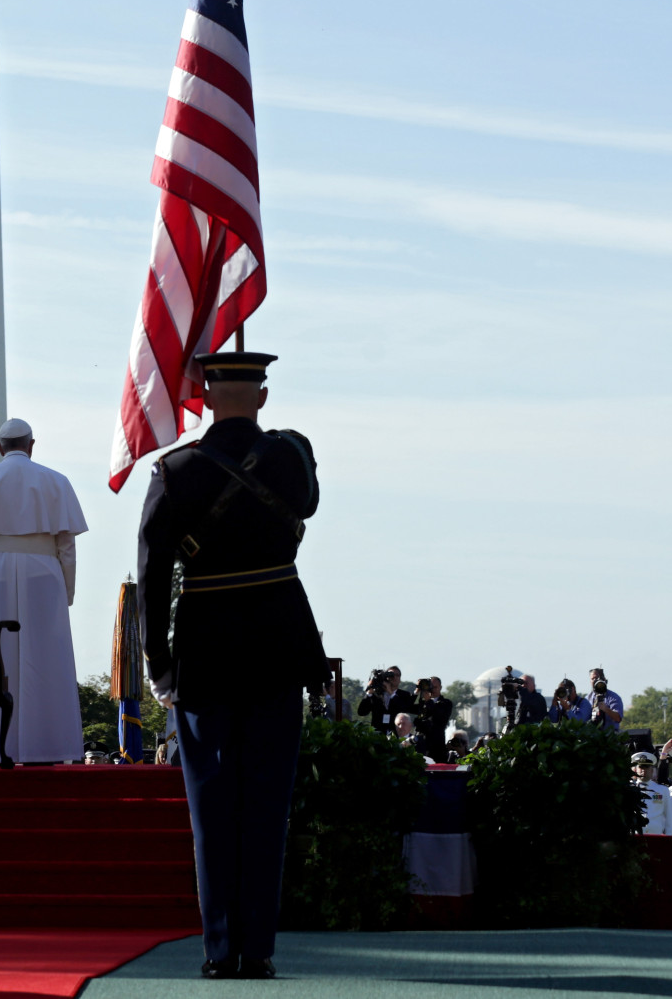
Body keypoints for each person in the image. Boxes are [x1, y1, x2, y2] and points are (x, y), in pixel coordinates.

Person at [136, 351, 327, 981]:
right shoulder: (291, 456)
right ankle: (259, 949)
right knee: (268, 804)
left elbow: (152, 574)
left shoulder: (175, 470)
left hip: (206, 648)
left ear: (206, 398)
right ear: (263, 397)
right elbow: (310, 502)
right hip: (278, 643)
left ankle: (220, 950)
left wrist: (159, 663)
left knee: (212, 808)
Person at [0, 417, 86, 765]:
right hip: (43, 575)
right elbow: (66, 548)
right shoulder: (56, 481)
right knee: (45, 661)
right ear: (31, 445)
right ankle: (47, 748)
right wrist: (66, 593)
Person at [355, 667, 413, 736]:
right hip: (377, 734)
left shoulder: (405, 695)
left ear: (400, 679)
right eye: (391, 675)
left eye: (397, 675)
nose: (394, 677)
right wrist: (369, 693)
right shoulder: (377, 694)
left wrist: (391, 693)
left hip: (396, 734)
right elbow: (362, 712)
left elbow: (403, 709)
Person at [411, 678, 453, 756]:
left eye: (435, 687)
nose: (432, 689)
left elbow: (439, 716)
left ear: (440, 687)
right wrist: (417, 691)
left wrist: (428, 701)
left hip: (436, 745)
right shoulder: (422, 702)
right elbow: (409, 707)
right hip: (420, 743)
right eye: (430, 687)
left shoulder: (446, 703)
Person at [633, 751, 671, 834]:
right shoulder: (630, 789)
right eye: (641, 767)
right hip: (635, 835)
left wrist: (669, 837)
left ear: (652, 770)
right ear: (635, 770)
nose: (643, 770)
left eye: (646, 767)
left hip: (656, 835)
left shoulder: (662, 790)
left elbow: (669, 818)